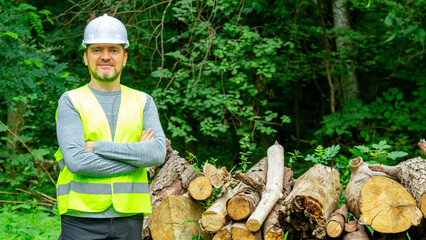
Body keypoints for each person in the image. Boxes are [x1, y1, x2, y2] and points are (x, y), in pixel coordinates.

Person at [54, 13, 166, 240]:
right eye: (97, 50)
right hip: (80, 218)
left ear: (124, 57)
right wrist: (136, 160)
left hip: (129, 219)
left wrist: (97, 147)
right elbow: (76, 161)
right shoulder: (70, 101)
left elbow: (157, 152)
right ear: (86, 57)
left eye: (113, 50)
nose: (105, 57)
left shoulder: (144, 101)